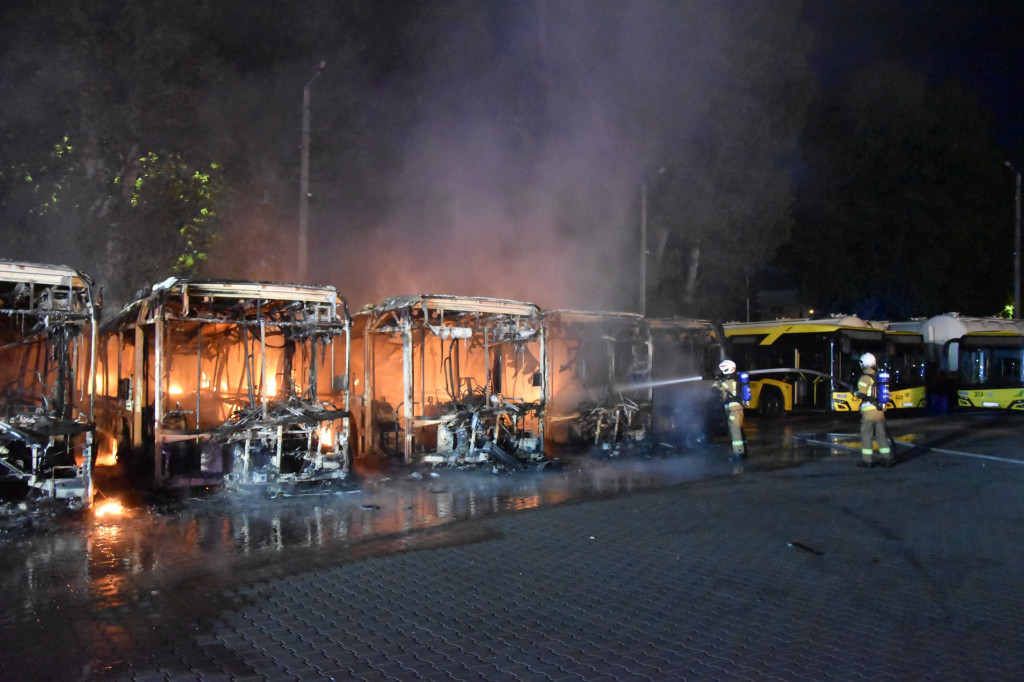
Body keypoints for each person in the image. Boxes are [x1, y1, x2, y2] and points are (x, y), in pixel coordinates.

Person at [855, 352, 892, 467]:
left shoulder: (865, 378)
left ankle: (867, 461)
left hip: (869, 412)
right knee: (882, 435)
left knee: (867, 435)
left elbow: (861, 394)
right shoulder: (879, 377)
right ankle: (886, 459)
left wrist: (854, 392)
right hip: (880, 411)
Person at [713, 359, 746, 459]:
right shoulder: (733, 379)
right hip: (735, 408)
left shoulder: (729, 381)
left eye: (722, 370)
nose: (721, 372)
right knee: (738, 430)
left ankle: (738, 453)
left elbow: (715, 389)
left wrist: (716, 380)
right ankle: (743, 451)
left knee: (735, 431)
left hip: (734, 409)